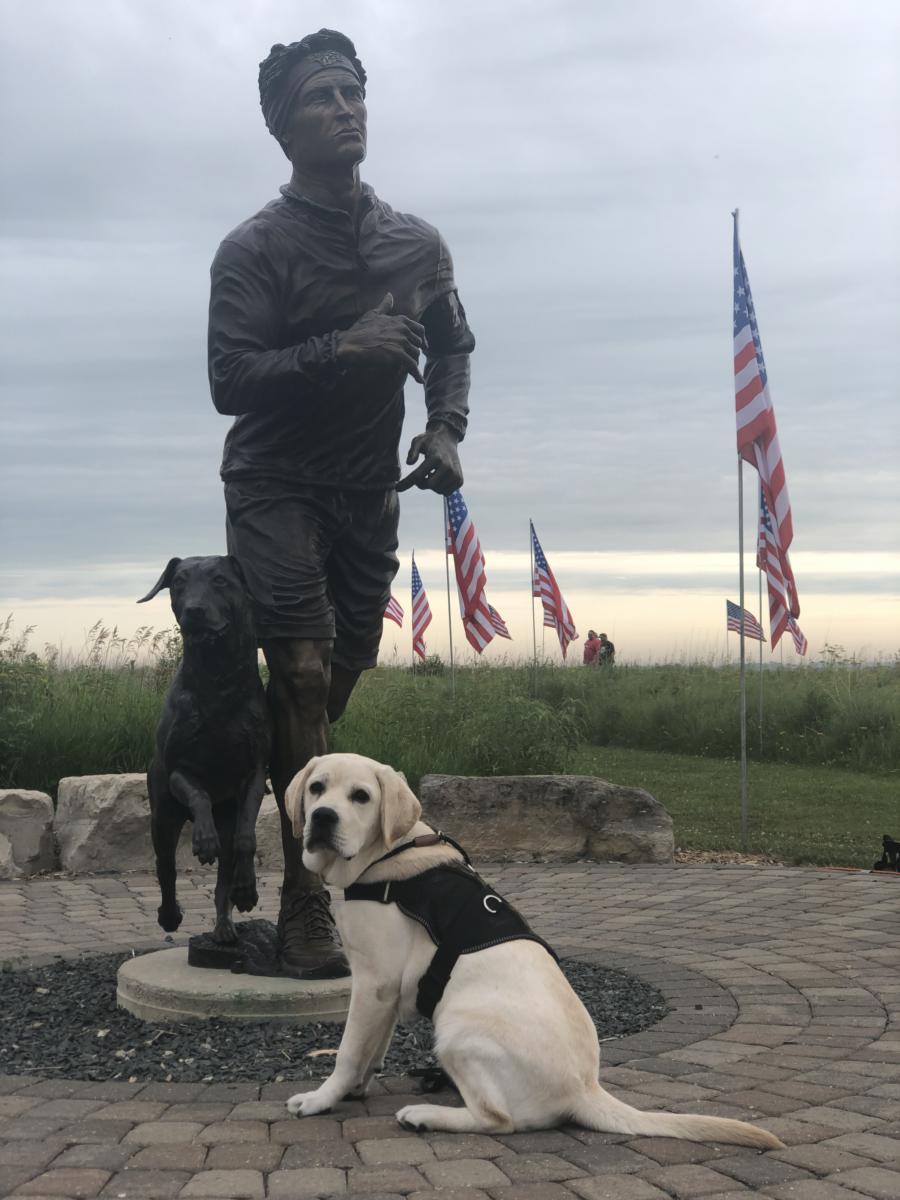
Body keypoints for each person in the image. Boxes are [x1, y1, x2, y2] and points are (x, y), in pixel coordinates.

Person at [207, 29, 475, 978]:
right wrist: (338, 350)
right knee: (308, 673)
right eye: (322, 98)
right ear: (285, 128)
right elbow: (229, 377)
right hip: (274, 483)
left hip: (367, 491)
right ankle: (305, 901)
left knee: (338, 678)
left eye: (354, 93)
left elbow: (453, 343)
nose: (345, 108)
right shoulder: (254, 249)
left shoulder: (415, 241)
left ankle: (246, 809)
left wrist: (445, 429)